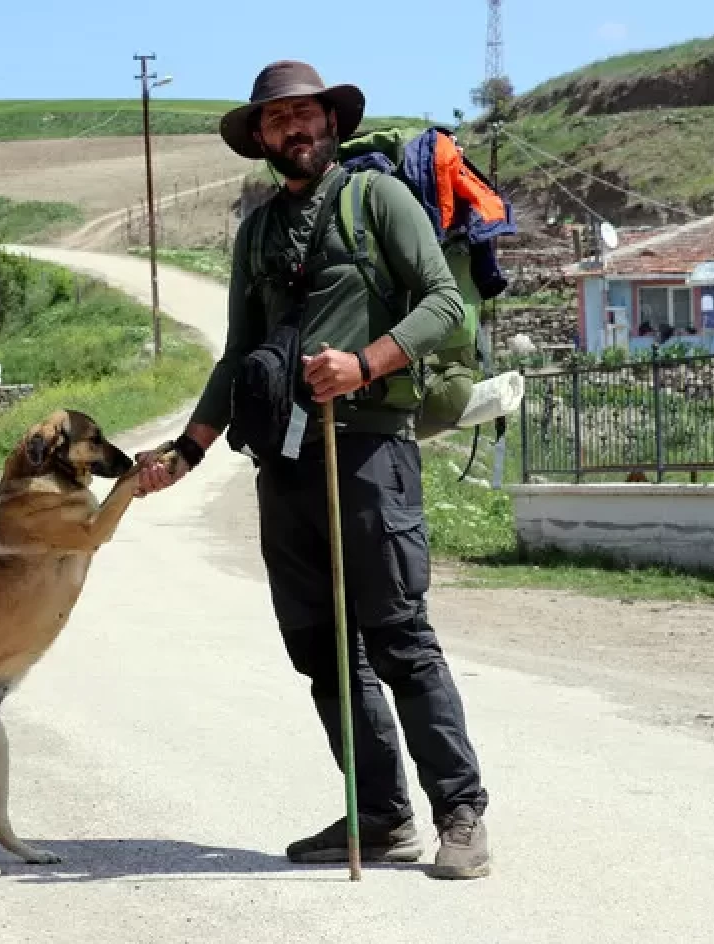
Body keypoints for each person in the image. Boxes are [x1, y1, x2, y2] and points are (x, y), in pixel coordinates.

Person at [135, 60, 491, 880]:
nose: (293, 130)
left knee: (399, 638)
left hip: (368, 449)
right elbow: (234, 358)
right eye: (276, 120)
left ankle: (462, 815)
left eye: (305, 115)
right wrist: (185, 452)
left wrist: (365, 363)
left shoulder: (378, 200)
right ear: (259, 138)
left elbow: (445, 304)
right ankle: (379, 815)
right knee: (323, 649)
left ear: (331, 123)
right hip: (285, 462)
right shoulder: (257, 232)